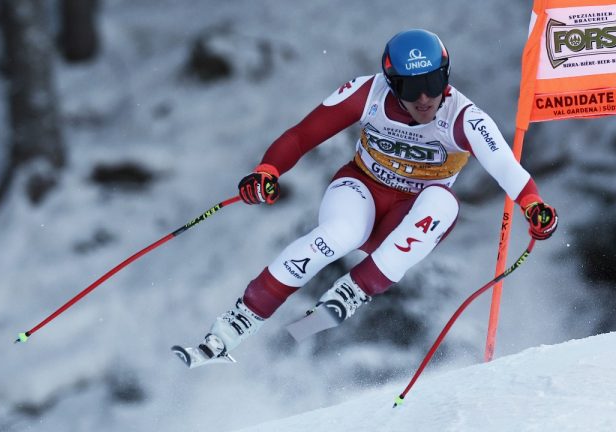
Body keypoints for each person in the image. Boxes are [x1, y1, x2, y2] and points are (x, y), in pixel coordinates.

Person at [173, 29, 558, 367]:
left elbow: (506, 167)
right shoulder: (366, 92)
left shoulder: (464, 116)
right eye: (411, 88)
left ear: (446, 77)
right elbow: (302, 135)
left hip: (409, 214)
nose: (425, 98)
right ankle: (235, 324)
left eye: (434, 83)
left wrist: (533, 206)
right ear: (391, 83)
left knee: (444, 203)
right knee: (341, 233)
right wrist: (268, 171)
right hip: (361, 190)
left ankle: (354, 291)